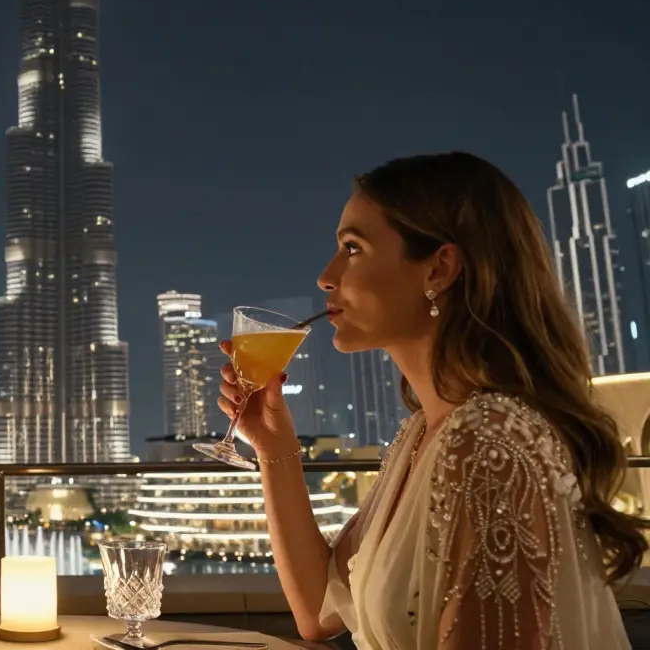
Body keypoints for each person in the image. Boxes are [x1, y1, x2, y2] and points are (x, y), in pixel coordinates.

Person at [219, 152, 643, 649]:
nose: (326, 276)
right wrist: (273, 447)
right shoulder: (423, 434)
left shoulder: (488, 441)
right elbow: (318, 610)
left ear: (438, 269)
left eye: (353, 248)